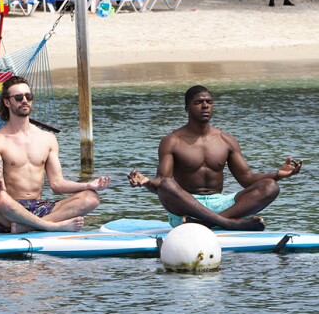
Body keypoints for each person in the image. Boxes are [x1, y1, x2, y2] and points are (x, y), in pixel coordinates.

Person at [127, 85, 302, 231]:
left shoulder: (226, 140)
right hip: (186, 208)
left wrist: (278, 174)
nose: (205, 106)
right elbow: (162, 184)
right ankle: (227, 223)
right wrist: (145, 182)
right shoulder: (172, 141)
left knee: (270, 186)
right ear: (187, 107)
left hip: (220, 204)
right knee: (167, 184)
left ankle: (206, 223)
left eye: (209, 102)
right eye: (199, 102)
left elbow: (247, 179)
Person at [0, 76, 111, 234]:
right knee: (0, 198)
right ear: (7, 102)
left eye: (28, 96)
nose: (24, 100)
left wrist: (88, 185)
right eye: (18, 97)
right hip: (10, 212)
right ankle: (52, 226)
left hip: (38, 207)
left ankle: (31, 225)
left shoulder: (47, 139)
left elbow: (57, 184)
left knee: (91, 197)